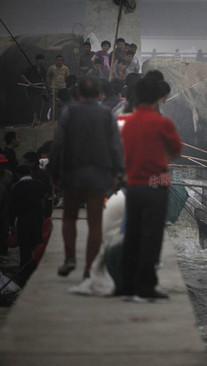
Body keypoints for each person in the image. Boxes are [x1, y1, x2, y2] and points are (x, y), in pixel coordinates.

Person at [49, 77, 124, 279]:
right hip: (99, 176)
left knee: (69, 217)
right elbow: (116, 146)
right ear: (99, 95)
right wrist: (117, 172)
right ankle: (89, 267)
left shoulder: (68, 113)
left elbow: (58, 145)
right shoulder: (107, 114)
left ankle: (70, 258)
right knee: (95, 222)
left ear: (79, 94)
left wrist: (54, 172)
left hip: (73, 174)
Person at [119, 73, 182, 302]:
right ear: (157, 97)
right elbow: (176, 150)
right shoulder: (162, 123)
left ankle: (126, 284)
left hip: (133, 184)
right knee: (152, 237)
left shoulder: (127, 123)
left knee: (132, 235)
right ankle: (146, 286)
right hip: (156, 185)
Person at [8, 164, 45, 287]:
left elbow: (12, 208)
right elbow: (43, 202)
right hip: (38, 220)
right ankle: (37, 274)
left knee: (25, 250)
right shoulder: (39, 184)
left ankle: (24, 278)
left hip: (24, 221)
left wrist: (11, 223)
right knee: (37, 247)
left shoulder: (16, 187)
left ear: (18, 174)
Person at [21, 54, 48, 124]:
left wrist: (45, 84)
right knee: (34, 103)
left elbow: (45, 80)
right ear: (36, 61)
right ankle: (35, 118)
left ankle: (38, 118)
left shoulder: (44, 70)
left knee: (40, 103)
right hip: (31, 90)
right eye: (40, 61)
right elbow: (22, 75)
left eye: (42, 61)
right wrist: (28, 82)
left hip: (40, 90)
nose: (41, 63)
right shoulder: (31, 69)